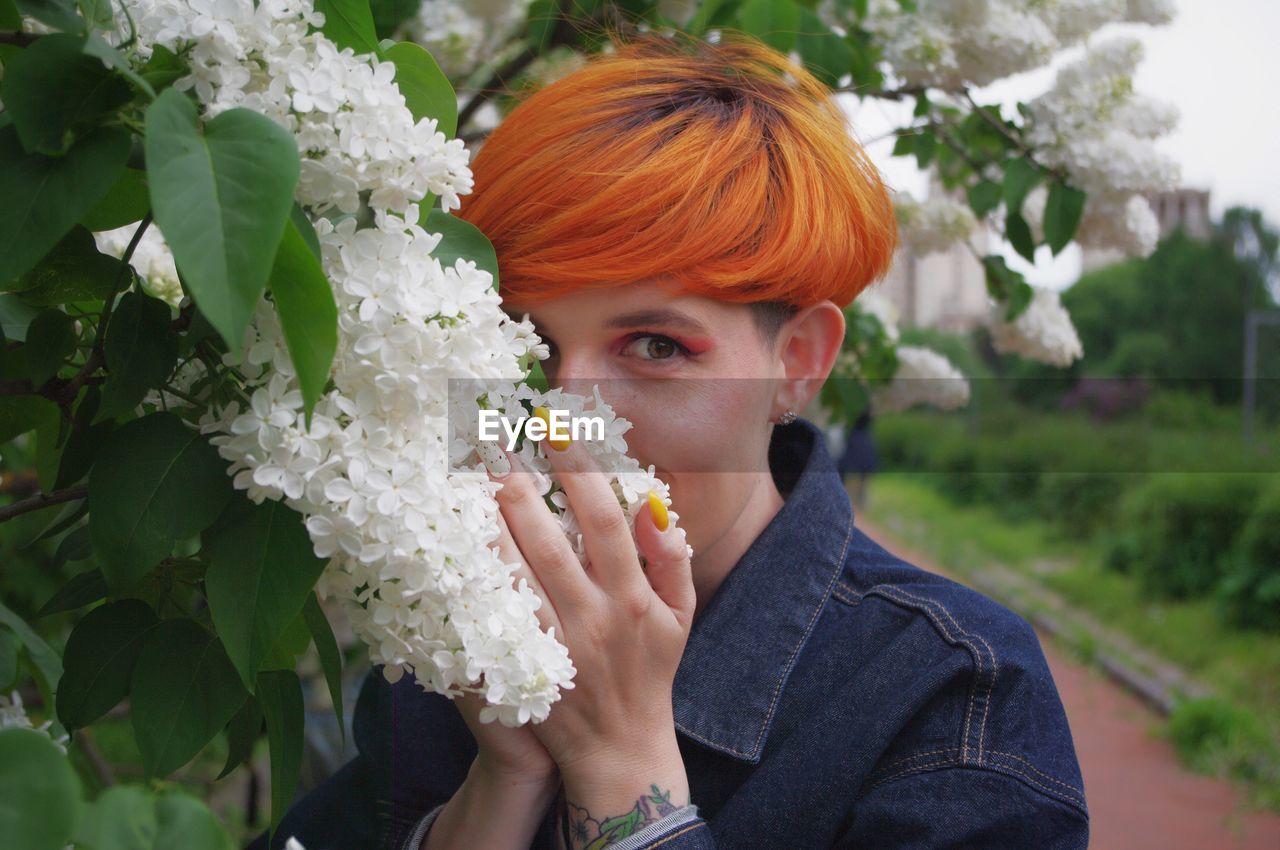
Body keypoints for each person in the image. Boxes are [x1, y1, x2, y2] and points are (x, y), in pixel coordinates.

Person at [250, 32, 1088, 850]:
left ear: (795, 366)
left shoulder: (953, 700)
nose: (559, 414)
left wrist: (621, 769)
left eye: (656, 346)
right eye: (518, 344)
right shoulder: (450, 658)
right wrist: (494, 795)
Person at [838, 409, 878, 512]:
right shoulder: (866, 430)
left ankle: (846, 502)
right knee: (862, 483)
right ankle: (859, 504)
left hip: (855, 444)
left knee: (842, 474)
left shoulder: (854, 417)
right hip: (862, 446)